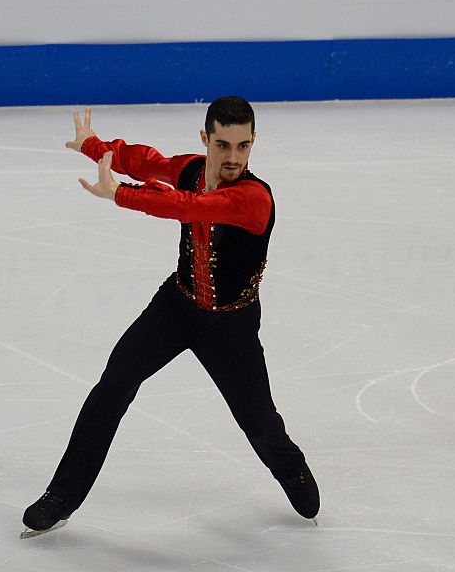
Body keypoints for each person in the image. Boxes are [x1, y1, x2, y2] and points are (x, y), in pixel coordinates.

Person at [22, 96, 319, 533]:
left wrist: (120, 195)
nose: (232, 156)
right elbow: (146, 162)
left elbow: (189, 207)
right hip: (176, 306)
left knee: (258, 422)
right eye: (222, 145)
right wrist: (94, 146)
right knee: (113, 385)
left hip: (229, 326)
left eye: (242, 146)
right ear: (206, 139)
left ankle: (289, 467)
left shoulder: (253, 199)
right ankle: (63, 494)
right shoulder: (193, 169)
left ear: (254, 142)